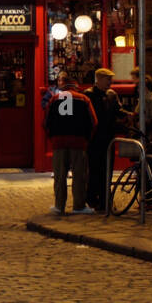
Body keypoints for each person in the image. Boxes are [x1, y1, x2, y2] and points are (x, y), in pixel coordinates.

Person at [46, 74, 96, 215]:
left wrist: (53, 138)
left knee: (60, 176)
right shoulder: (84, 99)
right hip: (78, 142)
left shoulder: (55, 99)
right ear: (75, 86)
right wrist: (87, 139)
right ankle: (78, 206)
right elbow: (93, 122)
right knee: (79, 176)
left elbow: (46, 122)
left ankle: (59, 205)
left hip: (59, 142)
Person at [85, 68, 122, 212]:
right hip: (95, 138)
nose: (110, 82)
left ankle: (105, 200)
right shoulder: (89, 94)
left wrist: (129, 116)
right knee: (95, 169)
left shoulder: (112, 95)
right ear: (98, 79)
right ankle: (93, 198)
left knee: (107, 170)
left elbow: (118, 111)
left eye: (111, 79)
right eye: (108, 79)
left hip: (108, 137)